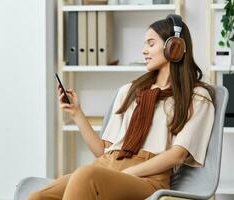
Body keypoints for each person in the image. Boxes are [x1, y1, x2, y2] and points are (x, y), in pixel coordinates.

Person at [28, 14, 215, 200]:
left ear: (174, 47)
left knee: (86, 175)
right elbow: (103, 151)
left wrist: (129, 172)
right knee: (39, 196)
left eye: (151, 44)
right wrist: (77, 113)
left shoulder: (196, 97)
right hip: (107, 165)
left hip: (147, 178)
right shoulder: (130, 90)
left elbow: (177, 155)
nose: (144, 51)